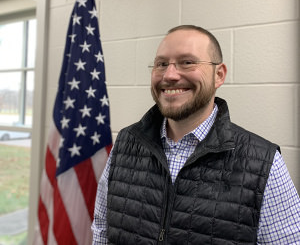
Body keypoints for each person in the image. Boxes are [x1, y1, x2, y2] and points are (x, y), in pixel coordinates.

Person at [92, 25, 300, 244]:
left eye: (187, 62)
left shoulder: (264, 164)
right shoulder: (126, 144)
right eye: (161, 64)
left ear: (218, 75)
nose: (169, 75)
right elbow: (101, 231)